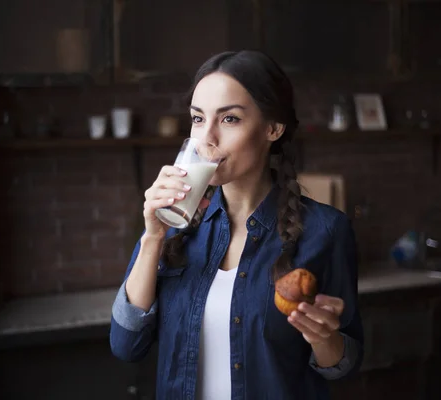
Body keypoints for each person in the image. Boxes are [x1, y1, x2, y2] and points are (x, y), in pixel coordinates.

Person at [110, 50, 363, 400]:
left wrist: (323, 337)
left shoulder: (326, 230)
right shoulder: (172, 224)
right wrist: (153, 236)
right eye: (198, 119)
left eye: (229, 120)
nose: (207, 138)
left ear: (272, 128)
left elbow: (343, 366)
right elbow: (125, 345)